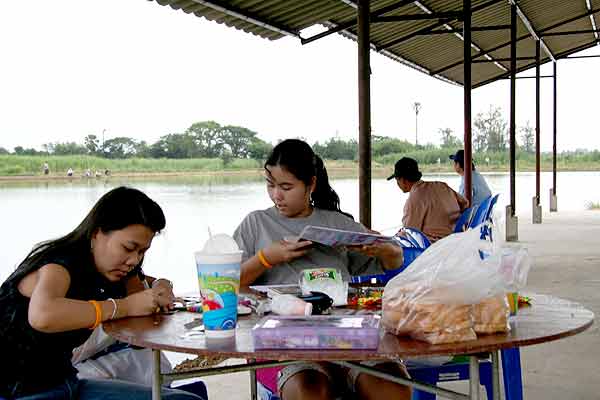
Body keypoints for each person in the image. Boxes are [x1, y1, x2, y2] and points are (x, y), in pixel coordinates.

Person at [233, 139, 410, 400]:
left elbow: (391, 263)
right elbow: (226, 284)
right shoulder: (256, 224)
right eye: (271, 186)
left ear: (311, 184)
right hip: (285, 344)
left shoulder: (337, 223)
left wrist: (389, 251)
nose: (276, 195)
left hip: (351, 338)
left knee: (392, 388)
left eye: (286, 187)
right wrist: (266, 258)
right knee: (310, 392)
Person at [0, 186, 205, 400]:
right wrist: (124, 307)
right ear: (97, 233)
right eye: (128, 248)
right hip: (18, 393)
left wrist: (161, 285)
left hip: (67, 384)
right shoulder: (58, 265)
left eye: (142, 252)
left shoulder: (114, 269)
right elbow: (43, 316)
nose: (134, 259)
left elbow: (141, 298)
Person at [388, 157, 468, 243]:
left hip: (434, 248)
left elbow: (410, 234)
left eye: (397, 180)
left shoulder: (413, 200)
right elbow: (465, 203)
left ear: (403, 180)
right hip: (456, 240)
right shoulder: (441, 186)